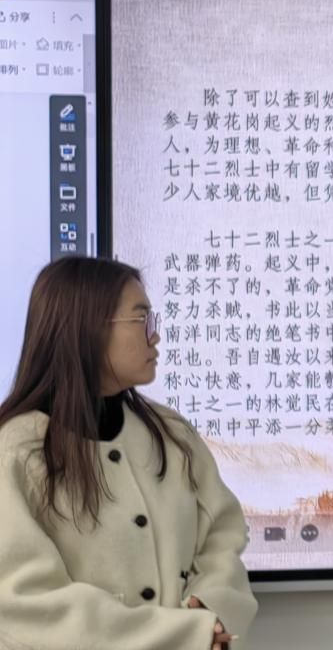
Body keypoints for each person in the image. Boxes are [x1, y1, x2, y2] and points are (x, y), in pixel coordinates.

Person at [0, 257, 257, 650]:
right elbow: (26, 603)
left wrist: (211, 606)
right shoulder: (17, 452)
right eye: (141, 320)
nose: (156, 336)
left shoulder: (171, 434)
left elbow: (223, 535)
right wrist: (179, 635)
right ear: (88, 327)